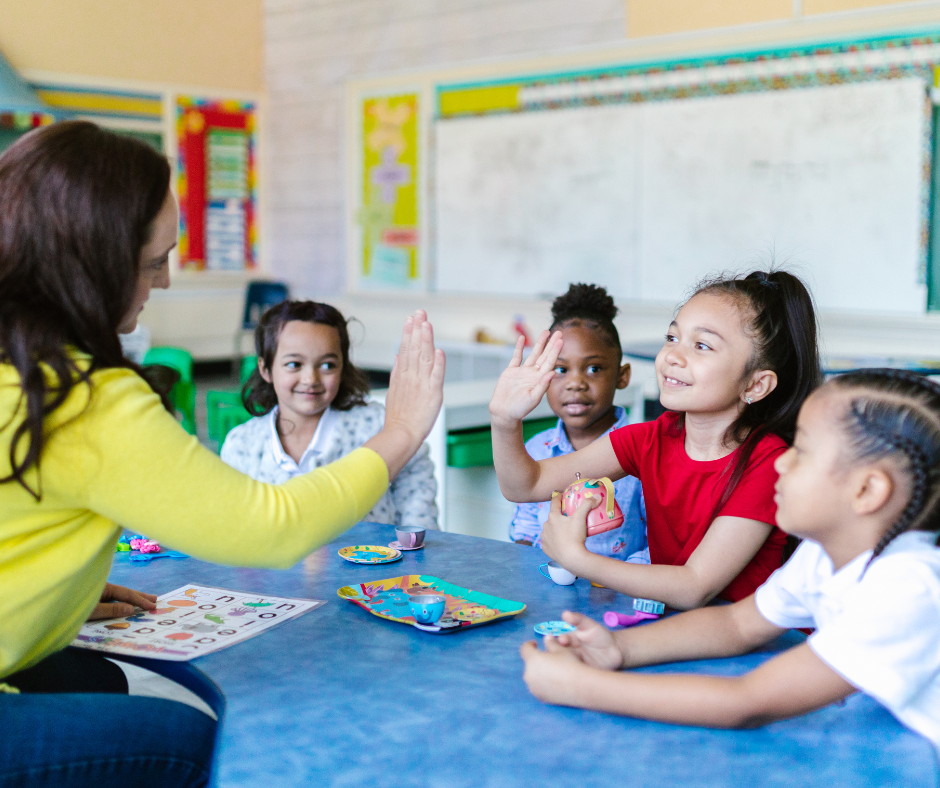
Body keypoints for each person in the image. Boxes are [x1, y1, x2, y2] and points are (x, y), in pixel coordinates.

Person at [0, 121, 444, 788]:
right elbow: (269, 527)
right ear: (90, 259)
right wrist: (403, 430)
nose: (168, 281)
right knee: (187, 741)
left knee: (90, 676)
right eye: (154, 262)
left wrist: (48, 593)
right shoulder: (80, 395)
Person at [519, 369, 940, 749]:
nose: (782, 462)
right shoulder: (824, 556)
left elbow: (747, 702)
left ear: (866, 491)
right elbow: (737, 623)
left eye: (803, 451)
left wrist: (580, 687)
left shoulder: (908, 587)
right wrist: (618, 648)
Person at [491, 270, 821, 609]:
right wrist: (504, 421)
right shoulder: (651, 439)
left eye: (702, 345)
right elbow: (526, 486)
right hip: (673, 627)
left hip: (746, 648)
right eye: (672, 337)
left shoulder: (769, 463)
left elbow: (695, 586)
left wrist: (579, 559)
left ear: (755, 385)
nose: (673, 356)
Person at [221, 300, 439, 530]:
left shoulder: (380, 426)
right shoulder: (242, 445)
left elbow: (417, 490)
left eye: (327, 366)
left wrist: (416, 552)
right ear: (266, 369)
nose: (310, 379)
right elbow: (233, 527)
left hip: (375, 565)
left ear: (343, 367)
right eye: (294, 364)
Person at [508, 283, 646, 563]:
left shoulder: (645, 454)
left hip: (617, 595)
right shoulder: (536, 449)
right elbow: (525, 529)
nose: (575, 383)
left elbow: (660, 547)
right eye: (560, 369)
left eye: (593, 368)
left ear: (623, 376)